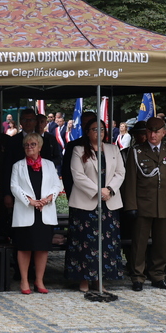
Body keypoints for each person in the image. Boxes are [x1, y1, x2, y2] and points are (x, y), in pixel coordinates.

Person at [64, 115, 126, 293]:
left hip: (109, 203)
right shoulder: (78, 150)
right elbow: (78, 176)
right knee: (85, 242)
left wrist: (109, 190)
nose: (99, 132)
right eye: (94, 129)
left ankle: (99, 279)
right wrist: (99, 192)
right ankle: (83, 279)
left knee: (105, 243)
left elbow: (120, 173)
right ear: (87, 132)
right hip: (86, 203)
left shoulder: (113, 149)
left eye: (102, 129)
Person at [123, 116, 166, 291]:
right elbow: (130, 181)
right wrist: (131, 205)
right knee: (139, 242)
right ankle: (138, 276)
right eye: (149, 131)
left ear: (164, 133)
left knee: (160, 243)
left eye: (156, 131)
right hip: (143, 204)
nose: (152, 135)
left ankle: (158, 275)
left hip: (164, 203)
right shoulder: (137, 151)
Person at [9, 132, 62, 294]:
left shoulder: (49, 165)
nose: (29, 147)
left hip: (44, 211)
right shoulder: (18, 166)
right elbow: (14, 187)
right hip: (26, 211)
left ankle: (39, 280)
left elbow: (56, 185)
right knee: (24, 247)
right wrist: (30, 201)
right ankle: (24, 281)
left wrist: (47, 199)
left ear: (40, 147)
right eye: (26, 145)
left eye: (33, 145)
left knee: (42, 248)